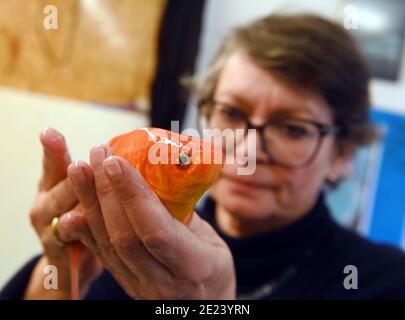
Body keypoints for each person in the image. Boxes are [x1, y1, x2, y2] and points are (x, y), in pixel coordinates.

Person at [2, 14, 405, 300]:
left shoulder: (384, 282)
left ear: (343, 154)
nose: (247, 151)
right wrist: (58, 268)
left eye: (293, 129)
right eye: (232, 113)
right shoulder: (125, 240)